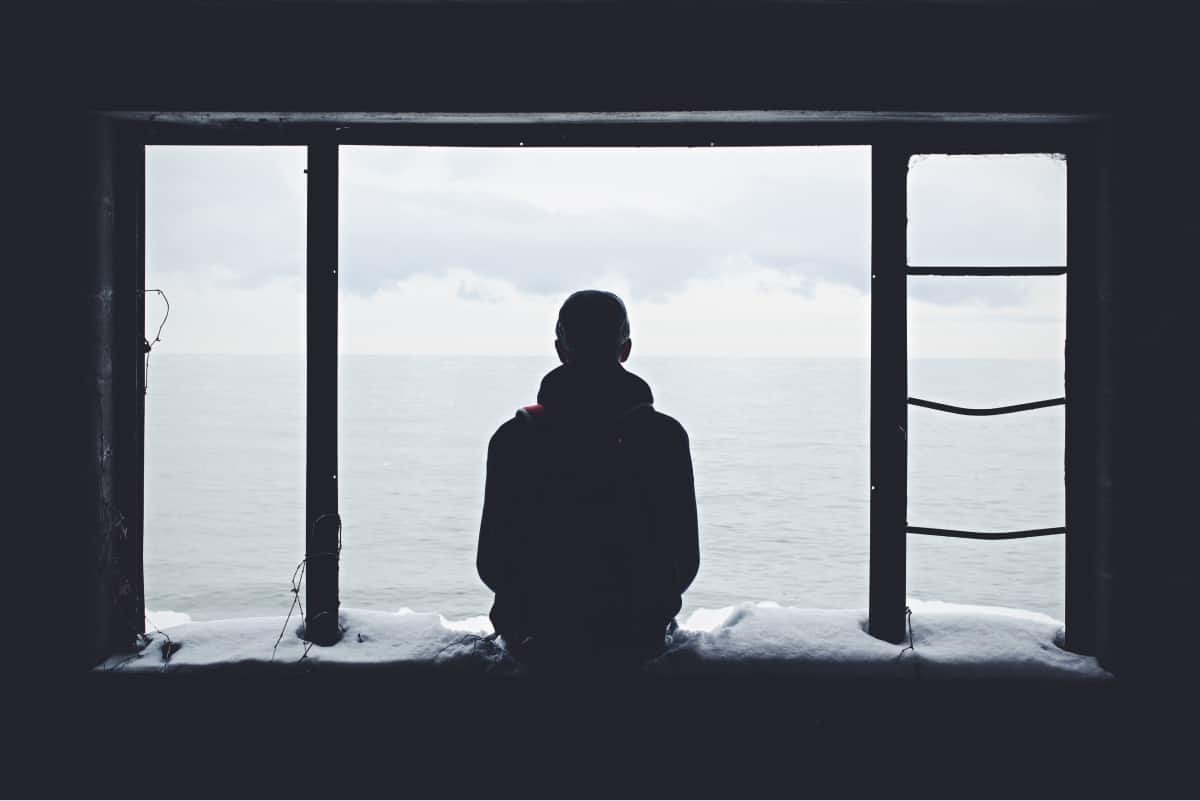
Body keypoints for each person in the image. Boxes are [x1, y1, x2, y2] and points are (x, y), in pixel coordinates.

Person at [477, 290, 700, 674]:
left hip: (538, 640)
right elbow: (685, 561)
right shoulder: (665, 438)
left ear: (560, 348)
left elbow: (492, 564)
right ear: (625, 348)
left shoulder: (515, 438)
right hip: (636, 639)